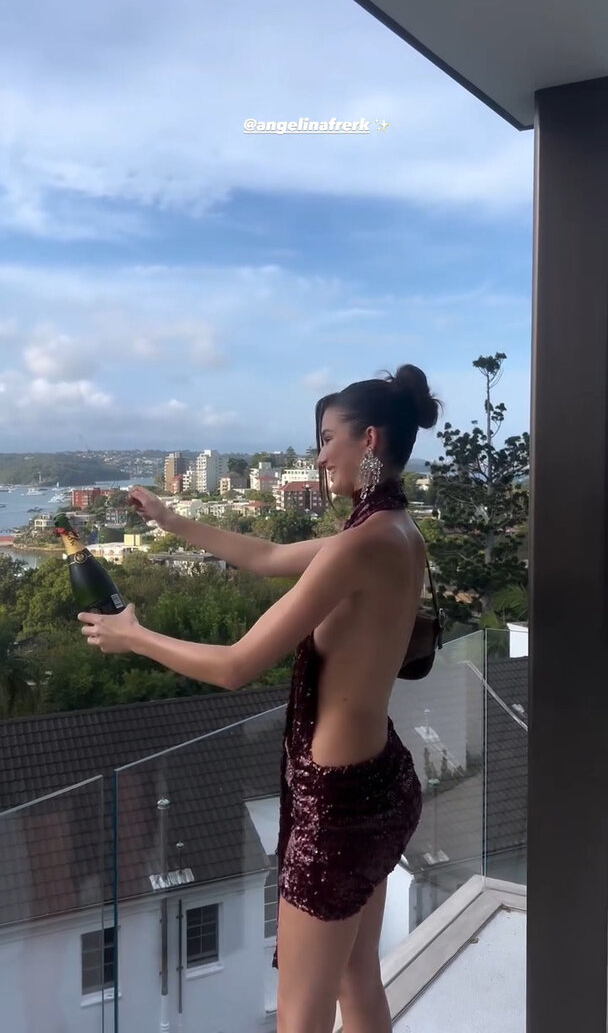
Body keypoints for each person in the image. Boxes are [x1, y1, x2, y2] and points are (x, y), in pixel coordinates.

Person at [78, 363, 441, 1033]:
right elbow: (268, 557)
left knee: (299, 1017)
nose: (319, 456)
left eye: (326, 439)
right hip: (382, 781)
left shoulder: (358, 546)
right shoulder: (398, 532)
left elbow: (235, 666)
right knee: (358, 980)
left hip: (336, 808)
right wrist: (170, 519)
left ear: (367, 439)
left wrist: (134, 637)